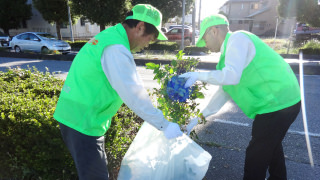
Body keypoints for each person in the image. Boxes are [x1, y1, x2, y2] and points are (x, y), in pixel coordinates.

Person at [53, 4, 183, 179]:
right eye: (150, 39)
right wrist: (164, 125)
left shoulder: (111, 36)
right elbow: (134, 94)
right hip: (83, 122)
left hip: (77, 115)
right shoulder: (116, 49)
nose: (147, 45)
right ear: (140, 27)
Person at [180, 14, 301, 180]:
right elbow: (223, 93)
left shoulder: (238, 39)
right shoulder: (225, 60)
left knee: (256, 155)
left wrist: (198, 75)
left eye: (204, 39)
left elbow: (231, 76)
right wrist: (197, 119)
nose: (205, 45)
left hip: (278, 103)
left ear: (213, 31)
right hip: (280, 102)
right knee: (271, 146)